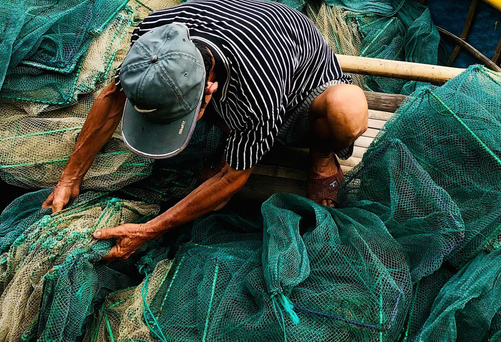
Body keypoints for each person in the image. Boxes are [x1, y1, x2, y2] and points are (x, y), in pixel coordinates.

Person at [43, 0, 369, 261]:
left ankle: (320, 154)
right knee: (212, 183)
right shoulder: (154, 36)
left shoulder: (258, 90)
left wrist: (150, 229)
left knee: (347, 111)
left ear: (210, 90)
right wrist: (70, 178)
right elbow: (113, 96)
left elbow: (232, 179)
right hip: (234, 59)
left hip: (301, 90)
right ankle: (235, 139)